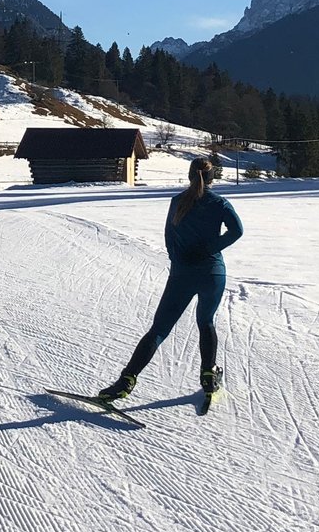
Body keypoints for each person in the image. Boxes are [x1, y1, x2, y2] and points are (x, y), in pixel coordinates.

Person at [97, 157, 243, 402]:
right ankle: (209, 376)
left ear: (188, 176)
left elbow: (169, 237)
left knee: (159, 330)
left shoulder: (177, 202)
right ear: (212, 178)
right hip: (212, 274)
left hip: (182, 275)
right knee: (206, 321)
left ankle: (126, 381)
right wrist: (209, 248)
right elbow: (237, 231)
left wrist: (180, 260)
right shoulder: (220, 203)